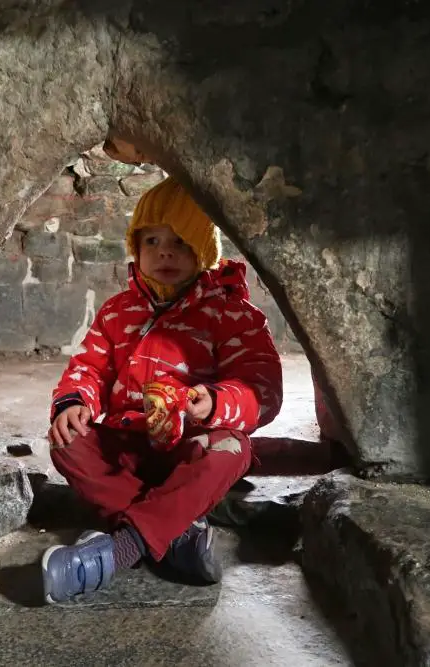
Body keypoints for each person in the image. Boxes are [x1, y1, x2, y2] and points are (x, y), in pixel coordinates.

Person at [40, 175, 283, 604]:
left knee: (231, 450)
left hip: (187, 447)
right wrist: (75, 402)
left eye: (181, 242)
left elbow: (261, 389)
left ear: (205, 252)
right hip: (126, 448)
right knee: (66, 442)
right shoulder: (118, 311)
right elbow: (90, 366)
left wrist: (216, 403)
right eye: (151, 241)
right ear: (136, 247)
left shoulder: (232, 315)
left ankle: (122, 548)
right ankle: (180, 527)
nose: (164, 252)